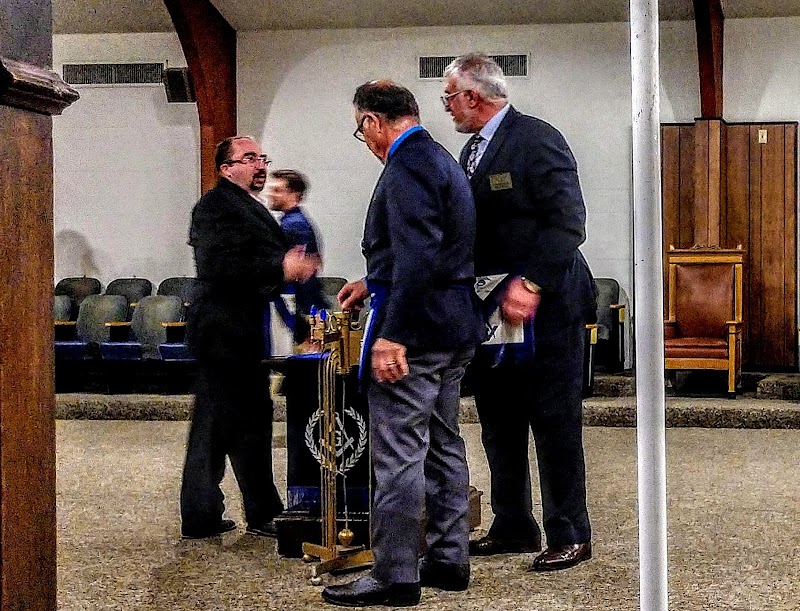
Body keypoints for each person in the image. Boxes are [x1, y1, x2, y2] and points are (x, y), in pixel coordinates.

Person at [320, 81, 486, 608]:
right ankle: (449, 559)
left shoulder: (406, 165)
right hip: (453, 325)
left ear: (372, 121)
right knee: (443, 445)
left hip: (417, 332)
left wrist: (393, 334)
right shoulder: (441, 159)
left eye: (361, 129)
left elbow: (418, 255)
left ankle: (394, 574)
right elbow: (434, 248)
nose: (365, 141)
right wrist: (374, 281)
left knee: (397, 454)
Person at [442, 53, 596, 571]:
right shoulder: (470, 151)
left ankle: (570, 532)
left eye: (449, 97)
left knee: (554, 424)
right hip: (492, 315)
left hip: (546, 307)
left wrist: (531, 281)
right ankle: (513, 525)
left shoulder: (536, 138)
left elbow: (569, 220)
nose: (447, 107)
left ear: (473, 96)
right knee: (498, 422)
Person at [180, 136, 318, 540]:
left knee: (218, 425)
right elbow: (218, 266)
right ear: (227, 169)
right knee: (246, 423)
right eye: (249, 158)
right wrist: (281, 266)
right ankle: (261, 511)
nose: (260, 165)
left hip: (239, 331)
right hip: (224, 333)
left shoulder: (246, 205)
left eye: (262, 158)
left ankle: (203, 513)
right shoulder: (214, 207)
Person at [267, 169, 327, 344]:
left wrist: (302, 323)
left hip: (297, 308)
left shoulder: (294, 225)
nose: (271, 194)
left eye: (277, 190)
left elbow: (304, 275)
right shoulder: (292, 222)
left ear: (294, 195)